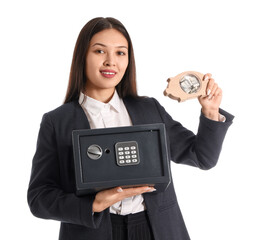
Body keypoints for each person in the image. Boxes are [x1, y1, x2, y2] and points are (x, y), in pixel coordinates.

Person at [27, 17, 234, 240]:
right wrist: (93, 204)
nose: (110, 62)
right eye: (99, 51)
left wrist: (211, 112)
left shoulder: (149, 109)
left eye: (120, 53)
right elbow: (39, 198)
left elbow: (202, 157)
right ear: (82, 57)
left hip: (156, 229)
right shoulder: (57, 121)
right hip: (94, 232)